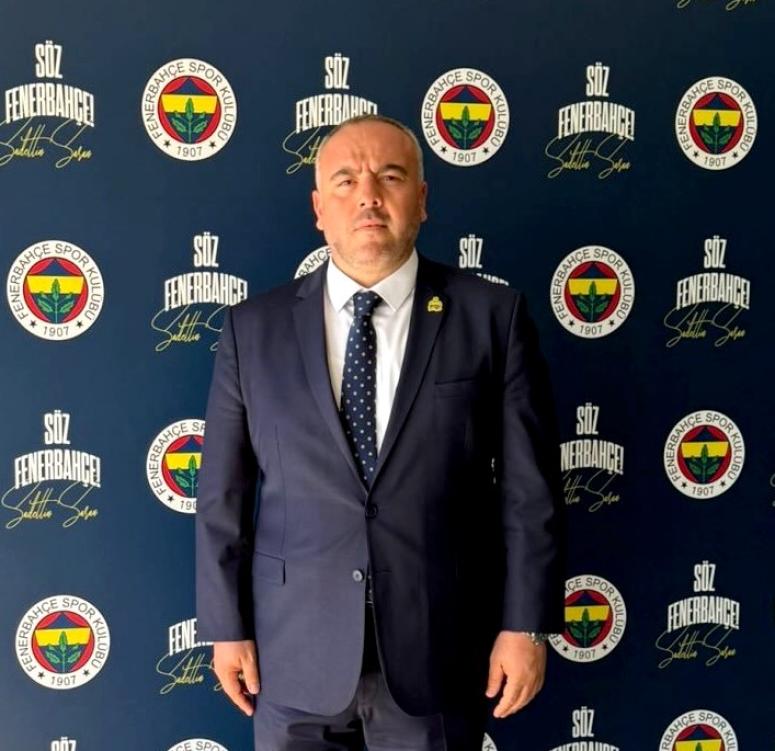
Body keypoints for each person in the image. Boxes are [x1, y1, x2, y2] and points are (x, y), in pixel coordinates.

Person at [195, 114, 565, 751]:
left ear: (421, 199)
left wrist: (525, 626)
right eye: (346, 180)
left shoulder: (492, 317)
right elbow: (222, 497)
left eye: (390, 177)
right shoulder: (250, 330)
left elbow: (530, 493)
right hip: (291, 656)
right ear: (319, 208)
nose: (368, 195)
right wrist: (225, 627)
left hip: (439, 650)